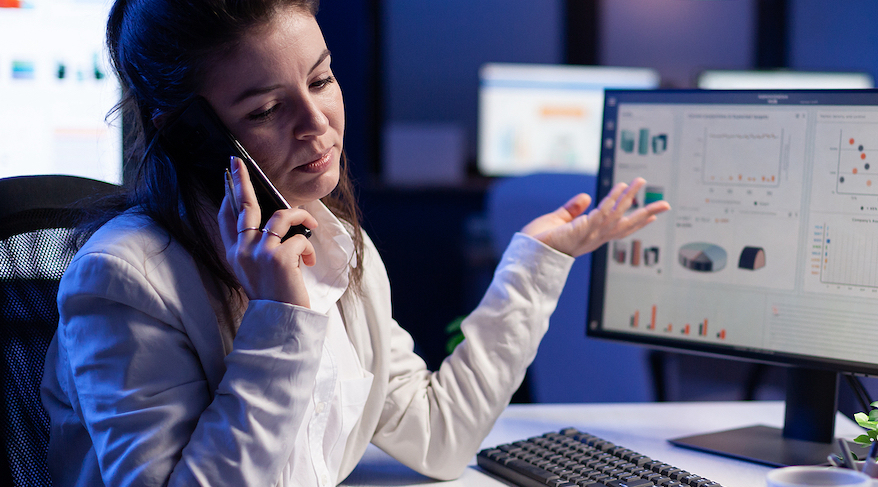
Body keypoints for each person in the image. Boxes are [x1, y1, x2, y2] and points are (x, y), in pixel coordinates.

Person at [39, 0, 669, 485]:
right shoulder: (123, 281)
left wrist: (535, 261)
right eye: (264, 110)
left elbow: (439, 434)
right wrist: (280, 320)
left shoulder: (338, 249)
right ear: (192, 135)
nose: (317, 125)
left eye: (320, 81)